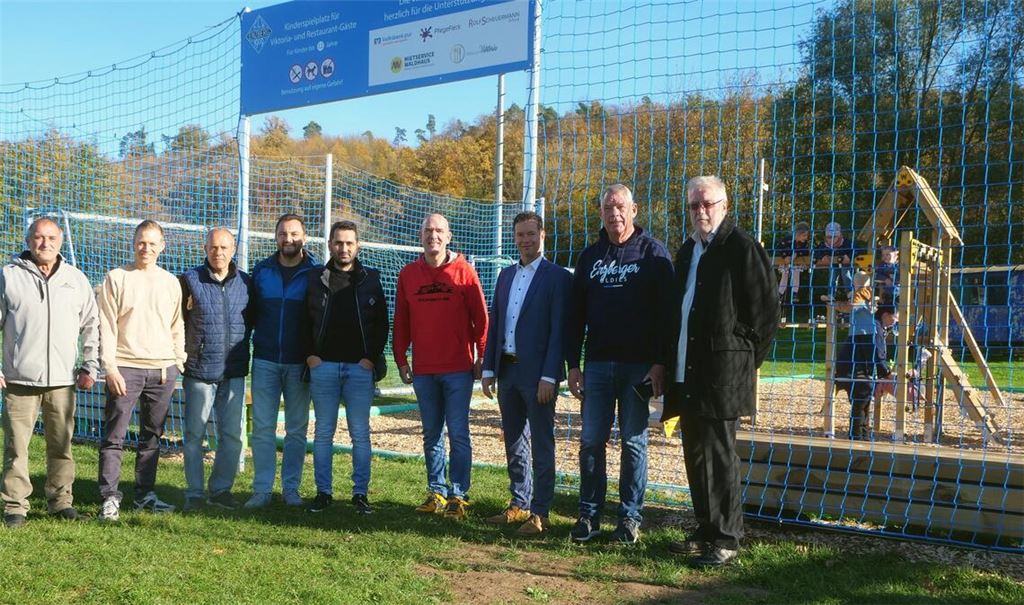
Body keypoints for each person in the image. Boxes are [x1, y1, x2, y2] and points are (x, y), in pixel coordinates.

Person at [663, 176, 778, 567]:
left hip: (721, 372)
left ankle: (727, 537)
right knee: (696, 453)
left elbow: (765, 315)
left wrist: (742, 359)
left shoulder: (742, 248)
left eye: (707, 204)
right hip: (688, 370)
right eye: (694, 205)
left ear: (724, 205)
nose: (700, 212)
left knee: (720, 454)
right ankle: (704, 528)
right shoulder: (688, 251)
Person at [566, 183, 675, 545]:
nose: (615, 214)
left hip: (638, 367)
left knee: (633, 443)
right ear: (601, 213)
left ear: (634, 210)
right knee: (591, 441)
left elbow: (667, 316)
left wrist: (660, 363)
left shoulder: (653, 254)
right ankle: (589, 515)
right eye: (608, 208)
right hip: (597, 365)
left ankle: (629, 518)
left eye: (620, 207)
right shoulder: (590, 257)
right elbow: (574, 315)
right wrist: (573, 364)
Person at [0, 217, 98, 528]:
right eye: (39, 238)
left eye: (51, 238)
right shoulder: (8, 276)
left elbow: (92, 326)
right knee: (17, 447)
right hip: (19, 380)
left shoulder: (75, 279)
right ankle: (15, 506)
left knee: (62, 445)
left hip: (62, 381)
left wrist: (90, 365)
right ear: (29, 241)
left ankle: (61, 501)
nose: (45, 244)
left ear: (61, 241)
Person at [481, 211, 571, 536]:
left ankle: (541, 511)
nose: (525, 240)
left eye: (531, 234)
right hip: (507, 371)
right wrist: (489, 368)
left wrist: (551, 376)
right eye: (520, 235)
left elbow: (560, 331)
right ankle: (519, 503)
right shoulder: (505, 276)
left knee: (542, 443)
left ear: (542, 235)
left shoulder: (558, 277)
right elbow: (496, 324)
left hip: (538, 377)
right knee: (514, 439)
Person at [393, 213, 488, 520]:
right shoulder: (408, 275)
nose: (433, 235)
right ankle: (436, 490)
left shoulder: (464, 272)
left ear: (449, 237)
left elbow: (481, 321)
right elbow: (402, 322)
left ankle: (459, 495)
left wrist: (481, 356)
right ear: (420, 236)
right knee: (431, 433)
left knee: (459, 432)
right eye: (427, 230)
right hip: (424, 370)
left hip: (458, 369)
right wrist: (400, 358)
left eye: (439, 231)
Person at [97, 220, 186, 521]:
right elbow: (106, 326)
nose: (145, 248)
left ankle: (144, 495)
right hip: (125, 368)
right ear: (133, 243)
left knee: (152, 437)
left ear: (162, 246)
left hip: (162, 371)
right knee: (114, 436)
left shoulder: (170, 282)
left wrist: (178, 361)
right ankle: (109, 497)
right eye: (140, 242)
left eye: (152, 243)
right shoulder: (117, 278)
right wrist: (110, 367)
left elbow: (177, 326)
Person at [305, 220, 388, 515]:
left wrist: (370, 358)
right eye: (338, 242)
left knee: (360, 434)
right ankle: (323, 492)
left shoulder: (371, 278)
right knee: (323, 432)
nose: (344, 248)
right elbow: (303, 320)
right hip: (323, 367)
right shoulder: (316, 277)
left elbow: (381, 324)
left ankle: (360, 494)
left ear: (358, 246)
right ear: (329, 245)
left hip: (359, 369)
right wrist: (311, 356)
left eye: (349, 243)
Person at [246, 214, 320, 508]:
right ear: (275, 237)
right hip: (264, 359)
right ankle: (262, 489)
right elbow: (249, 316)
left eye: (294, 234)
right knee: (263, 427)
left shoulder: (316, 272)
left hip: (299, 364)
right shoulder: (261, 271)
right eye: (282, 234)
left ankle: (291, 489)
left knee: (296, 429)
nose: (288, 239)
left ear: (304, 237)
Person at [179, 228, 252, 512]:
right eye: (213, 247)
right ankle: (194, 493)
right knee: (195, 434)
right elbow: (179, 321)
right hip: (199, 370)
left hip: (233, 372)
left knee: (232, 434)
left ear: (233, 249)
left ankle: (221, 490)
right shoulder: (189, 280)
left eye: (223, 247)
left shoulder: (246, 283)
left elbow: (251, 321)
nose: (218, 252)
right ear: (205, 248)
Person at [834, 305, 898, 440]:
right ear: (885, 315)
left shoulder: (872, 325)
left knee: (864, 400)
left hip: (849, 367)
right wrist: (886, 373)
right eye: (895, 316)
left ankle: (863, 435)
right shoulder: (874, 327)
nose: (896, 320)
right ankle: (857, 436)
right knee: (862, 397)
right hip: (853, 369)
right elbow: (875, 352)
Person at [811, 221, 855, 319]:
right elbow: (816, 252)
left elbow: (855, 250)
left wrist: (849, 257)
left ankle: (850, 292)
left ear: (839, 236)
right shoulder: (824, 245)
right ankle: (831, 294)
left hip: (845, 264)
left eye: (834, 237)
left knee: (845, 273)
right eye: (829, 237)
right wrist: (822, 257)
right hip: (833, 264)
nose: (831, 240)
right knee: (832, 275)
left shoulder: (846, 243)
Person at [774, 221, 812, 322]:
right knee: (785, 276)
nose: (805, 238)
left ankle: (795, 292)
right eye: (804, 235)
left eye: (806, 236)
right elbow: (780, 248)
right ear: (798, 233)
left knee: (796, 273)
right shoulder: (787, 240)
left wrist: (796, 255)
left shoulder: (804, 243)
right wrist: (785, 256)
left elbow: (805, 251)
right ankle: (780, 294)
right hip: (786, 262)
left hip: (796, 263)